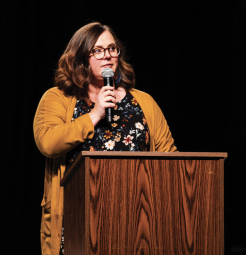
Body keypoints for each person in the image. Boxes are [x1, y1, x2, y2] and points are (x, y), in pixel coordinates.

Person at [33, 22, 177, 255]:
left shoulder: (143, 102)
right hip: (77, 220)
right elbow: (48, 143)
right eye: (97, 51)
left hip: (135, 220)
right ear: (81, 58)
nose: (107, 56)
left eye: (112, 49)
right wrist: (96, 114)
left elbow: (170, 159)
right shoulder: (58, 98)